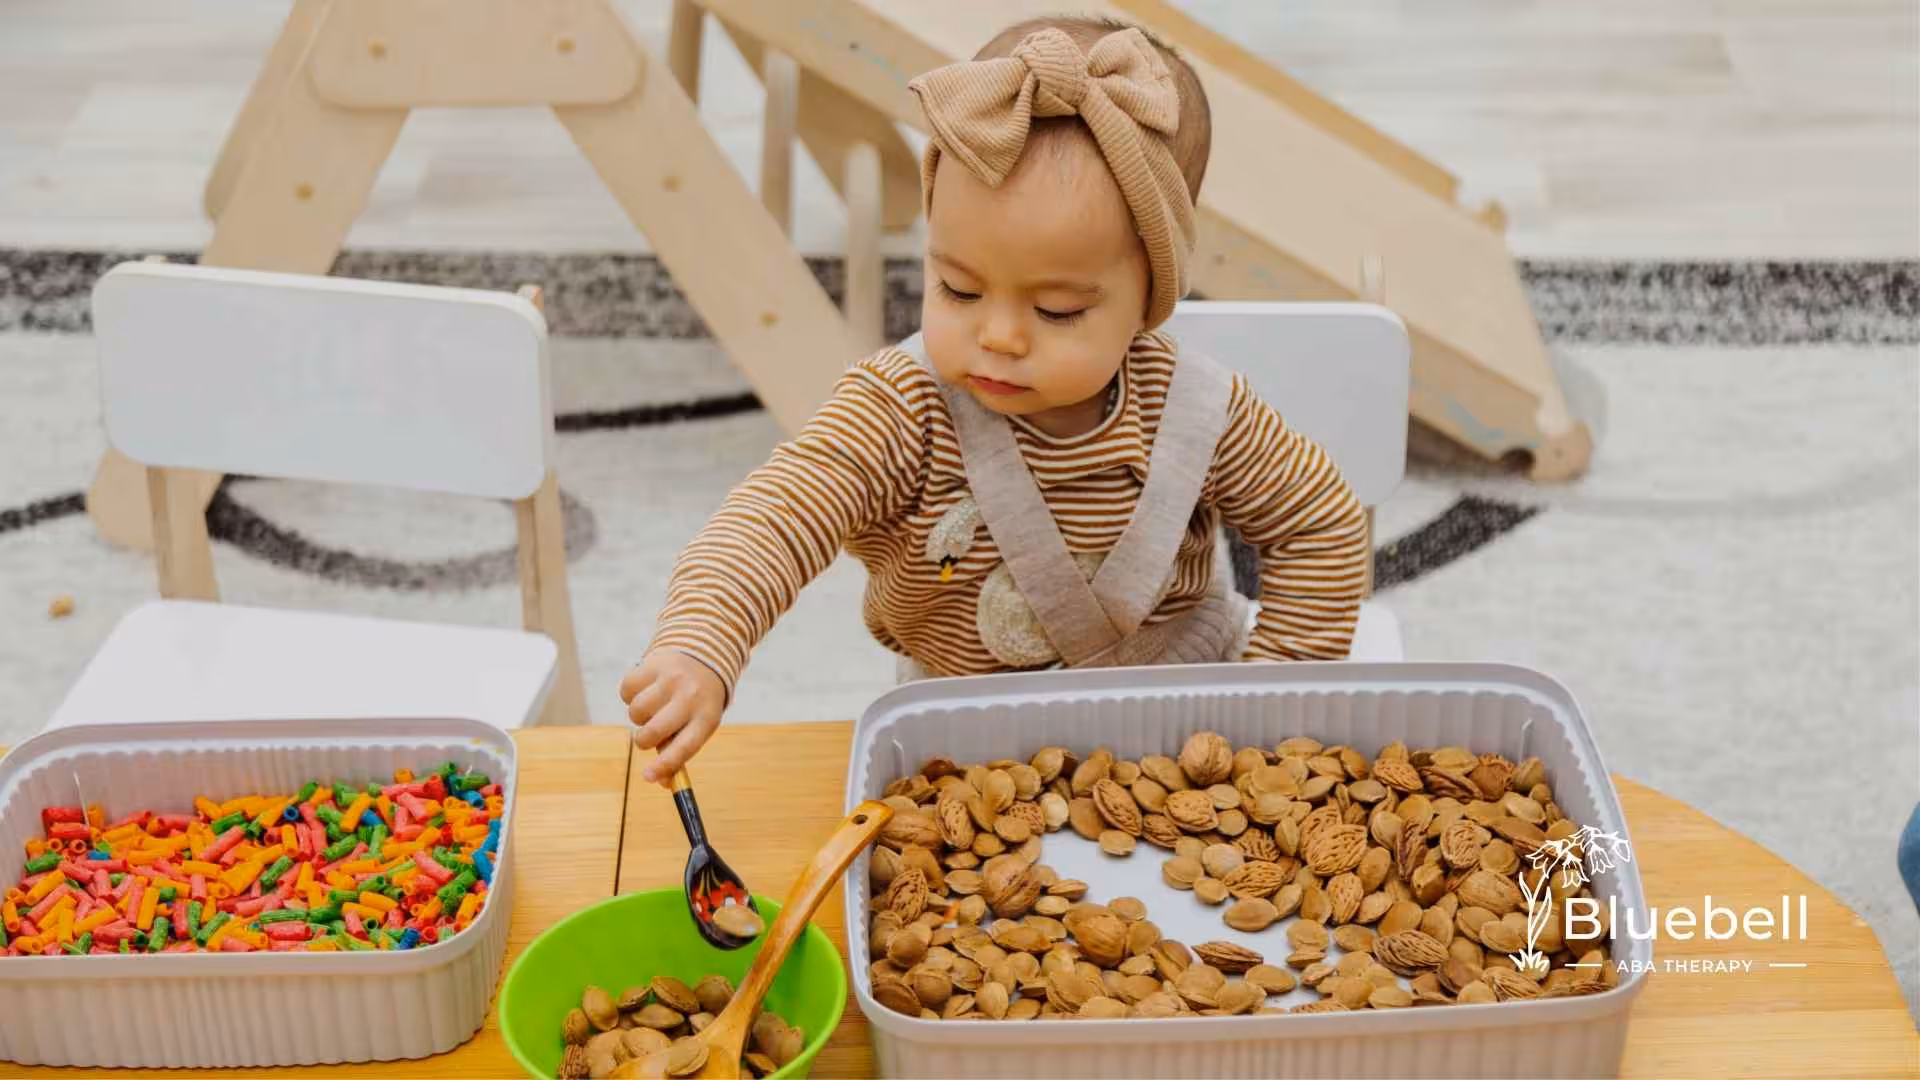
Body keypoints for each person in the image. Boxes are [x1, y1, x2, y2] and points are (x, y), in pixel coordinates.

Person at [621, 16, 1368, 785]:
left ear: (1150, 298)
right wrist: (699, 646)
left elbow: (1321, 526)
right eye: (959, 287)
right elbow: (771, 520)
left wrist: (1270, 709)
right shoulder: (899, 412)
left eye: (1057, 311)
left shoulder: (1201, 411)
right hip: (971, 748)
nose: (1000, 336)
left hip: (1186, 730)